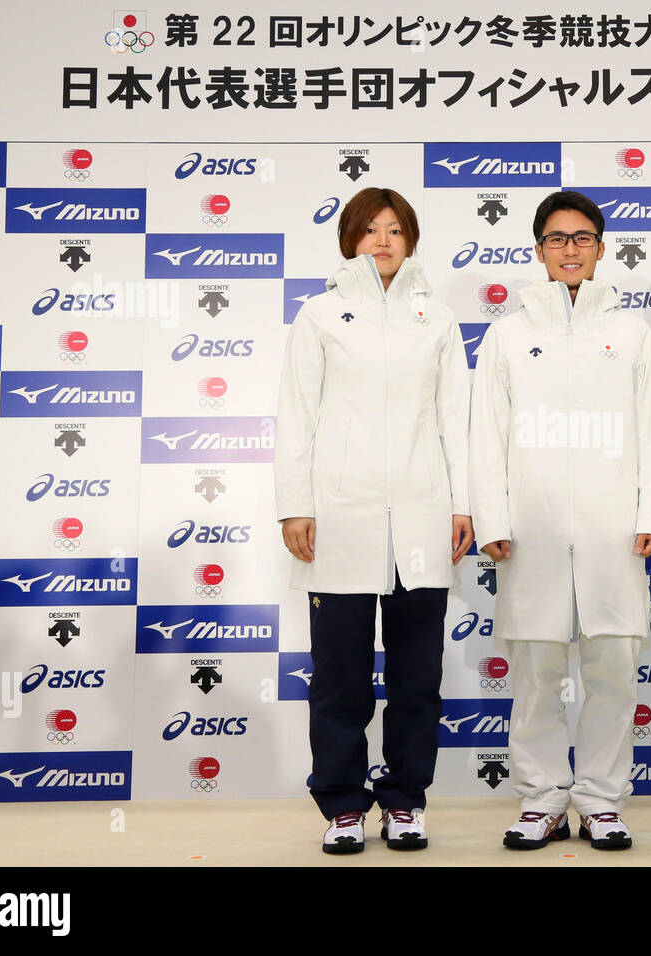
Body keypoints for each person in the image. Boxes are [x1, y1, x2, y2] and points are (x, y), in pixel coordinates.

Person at [469, 190, 651, 850]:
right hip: (531, 532)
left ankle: (602, 798)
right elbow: (486, 435)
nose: (570, 249)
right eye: (556, 239)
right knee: (536, 672)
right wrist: (492, 517)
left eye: (582, 238)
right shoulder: (508, 333)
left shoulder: (632, 333)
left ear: (601, 248)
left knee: (614, 668)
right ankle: (540, 798)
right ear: (538, 251)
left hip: (614, 533)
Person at [275, 187, 473, 854]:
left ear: (411, 240)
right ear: (349, 239)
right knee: (340, 678)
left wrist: (464, 504)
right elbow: (297, 416)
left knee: (417, 680)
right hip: (342, 520)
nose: (382, 241)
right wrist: (295, 504)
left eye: (395, 230)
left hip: (420, 520)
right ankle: (342, 805)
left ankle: (405, 801)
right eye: (370, 230)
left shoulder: (437, 319)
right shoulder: (321, 315)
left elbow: (457, 423)